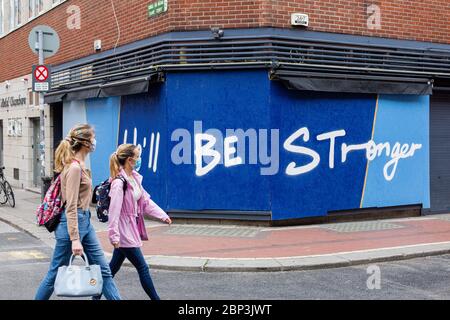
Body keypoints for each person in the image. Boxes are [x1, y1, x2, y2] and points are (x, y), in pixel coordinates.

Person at [35, 124, 121, 300]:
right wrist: (75, 239)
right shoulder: (74, 168)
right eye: (92, 138)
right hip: (72, 224)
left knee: (104, 270)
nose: (95, 141)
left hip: (85, 222)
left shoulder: (80, 165)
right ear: (85, 143)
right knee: (54, 274)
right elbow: (71, 205)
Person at [94, 144, 172, 300]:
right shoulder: (118, 183)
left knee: (112, 269)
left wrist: (162, 215)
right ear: (130, 160)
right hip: (124, 231)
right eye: (137, 157)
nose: (139, 159)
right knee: (143, 267)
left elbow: (145, 202)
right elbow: (114, 213)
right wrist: (114, 236)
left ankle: (95, 298)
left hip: (131, 228)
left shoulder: (134, 179)